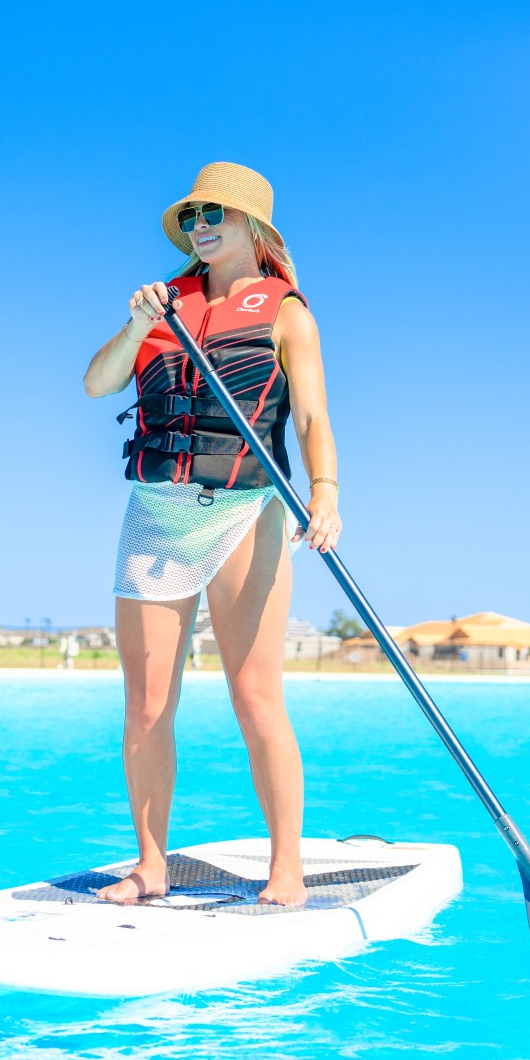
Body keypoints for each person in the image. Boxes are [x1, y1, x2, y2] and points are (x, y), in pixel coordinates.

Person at [81, 162, 341, 907]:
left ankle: (285, 866)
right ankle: (150, 865)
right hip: (156, 513)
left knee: (255, 695)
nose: (201, 225)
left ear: (253, 228)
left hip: (244, 512)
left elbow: (313, 417)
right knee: (147, 703)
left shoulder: (287, 314)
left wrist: (325, 492)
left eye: (216, 214)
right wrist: (137, 327)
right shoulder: (161, 307)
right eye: (193, 214)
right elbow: (98, 383)